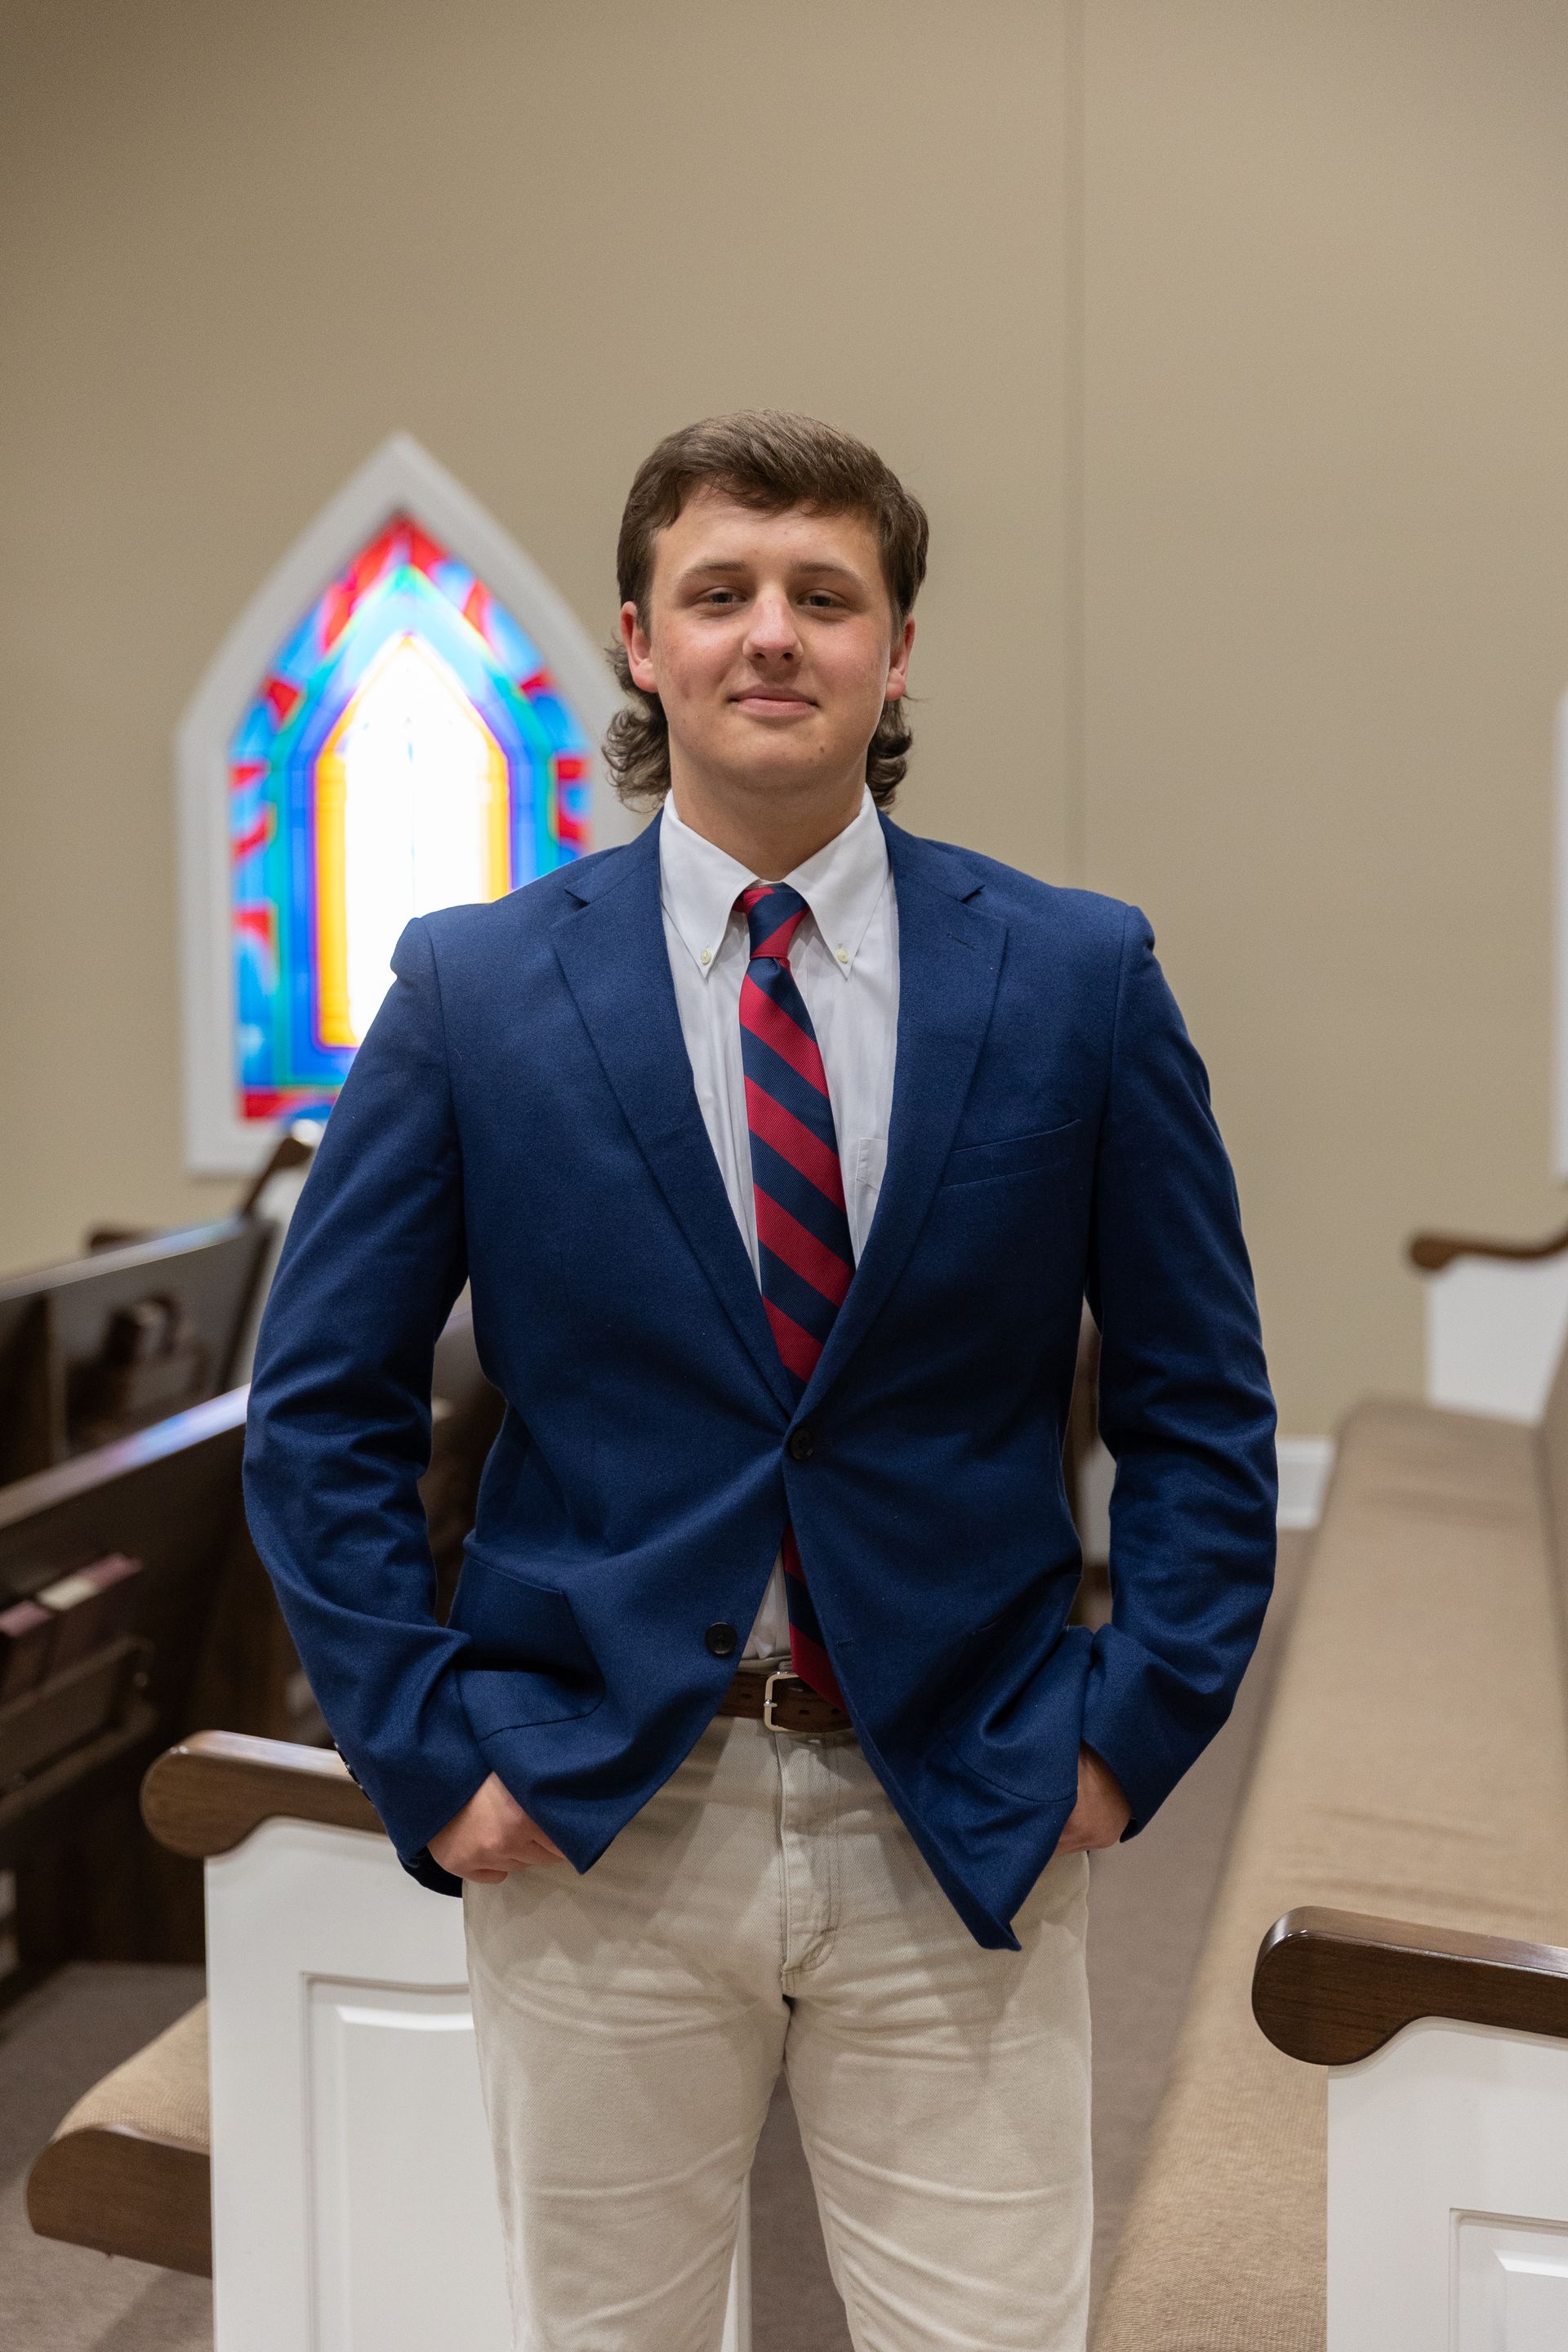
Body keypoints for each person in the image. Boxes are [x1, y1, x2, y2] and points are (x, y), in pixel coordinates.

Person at [243, 408, 1276, 2352]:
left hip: (959, 1791)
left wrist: (1125, 1735)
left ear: (898, 652)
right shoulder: (475, 988)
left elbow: (1204, 1403)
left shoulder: (1073, 974)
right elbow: (323, 1408)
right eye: (719, 593)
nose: (771, 634)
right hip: (599, 1802)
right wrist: (430, 1755)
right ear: (642, 641)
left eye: (826, 594)